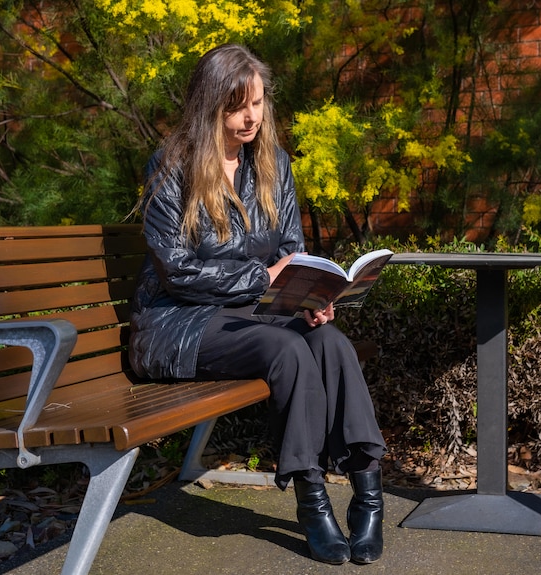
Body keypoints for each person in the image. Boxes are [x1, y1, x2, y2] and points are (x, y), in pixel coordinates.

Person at [128, 44, 386, 565]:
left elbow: (291, 248)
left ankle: (369, 496)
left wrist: (310, 295)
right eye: (238, 105)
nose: (251, 117)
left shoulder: (272, 163)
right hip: (177, 322)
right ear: (210, 104)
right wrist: (260, 278)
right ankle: (312, 502)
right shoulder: (172, 165)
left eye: (259, 103)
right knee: (287, 350)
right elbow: (175, 270)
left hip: (251, 312)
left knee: (330, 342)